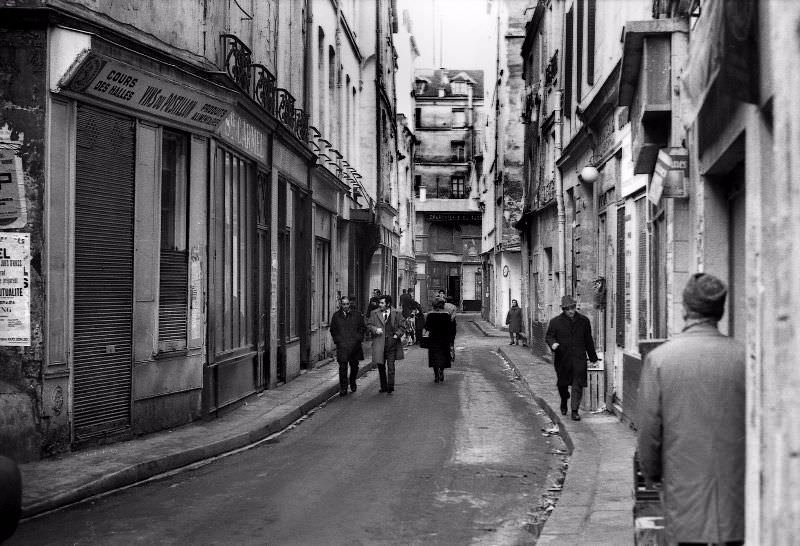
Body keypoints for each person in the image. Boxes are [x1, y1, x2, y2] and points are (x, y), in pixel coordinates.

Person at [636, 273, 745, 545]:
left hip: (683, 491)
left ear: (685, 309)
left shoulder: (660, 359)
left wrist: (652, 475)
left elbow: (649, 432)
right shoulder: (745, 357)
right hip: (736, 492)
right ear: (720, 311)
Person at [545, 295, 598, 421]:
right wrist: (553, 344)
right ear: (563, 309)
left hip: (579, 358)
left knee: (577, 384)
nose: (571, 311)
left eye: (572, 308)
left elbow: (588, 340)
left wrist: (593, 357)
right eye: (568, 309)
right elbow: (549, 336)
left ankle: (575, 410)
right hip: (562, 359)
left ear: (575, 307)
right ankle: (564, 400)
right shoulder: (555, 322)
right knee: (562, 384)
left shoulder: (584, 321)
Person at [367, 295, 406, 394]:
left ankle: (390, 386)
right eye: (379, 303)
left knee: (391, 366)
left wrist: (396, 336)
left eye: (382, 303)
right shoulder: (374, 313)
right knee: (381, 366)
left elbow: (402, 326)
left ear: (388, 304)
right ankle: (383, 386)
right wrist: (375, 329)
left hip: (391, 343)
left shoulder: (397, 313)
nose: (380, 305)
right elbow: (369, 325)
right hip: (379, 343)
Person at [329, 295, 366, 397]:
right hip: (343, 346)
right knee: (342, 367)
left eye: (347, 304)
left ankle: (353, 381)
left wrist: (358, 338)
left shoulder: (357, 315)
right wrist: (338, 341)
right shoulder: (336, 316)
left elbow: (362, 328)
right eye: (343, 304)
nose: (345, 306)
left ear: (350, 304)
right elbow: (333, 330)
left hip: (354, 346)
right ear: (341, 304)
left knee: (354, 367)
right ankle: (343, 388)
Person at [424, 299, 457, 383]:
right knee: (443, 356)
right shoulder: (446, 315)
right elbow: (450, 328)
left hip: (433, 339)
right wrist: (451, 340)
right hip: (444, 339)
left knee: (434, 357)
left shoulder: (430, 315)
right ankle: (441, 371)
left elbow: (427, 327)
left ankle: (436, 375)